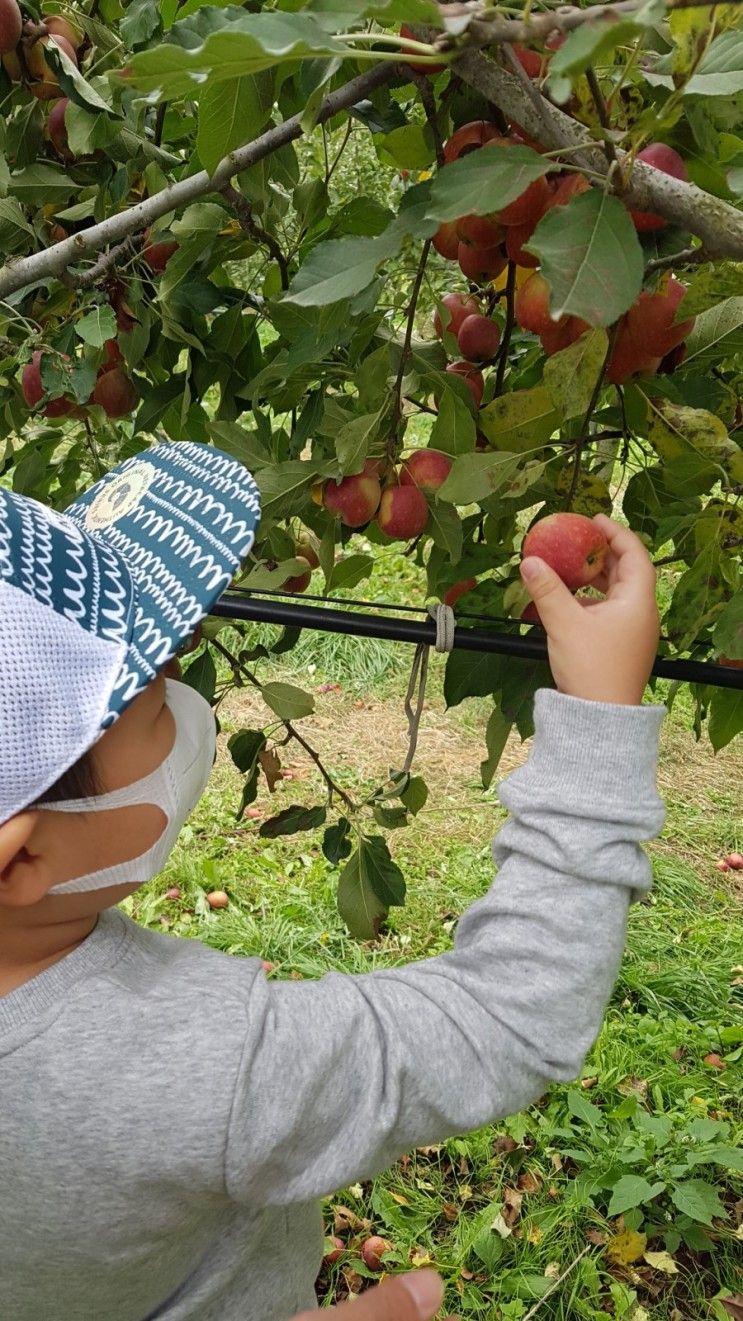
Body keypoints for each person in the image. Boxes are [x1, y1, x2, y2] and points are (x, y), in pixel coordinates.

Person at [0, 441, 664, 1321]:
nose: (188, 689)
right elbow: (511, 1014)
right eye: (155, 694)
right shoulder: (204, 1063)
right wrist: (600, 722)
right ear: (23, 858)